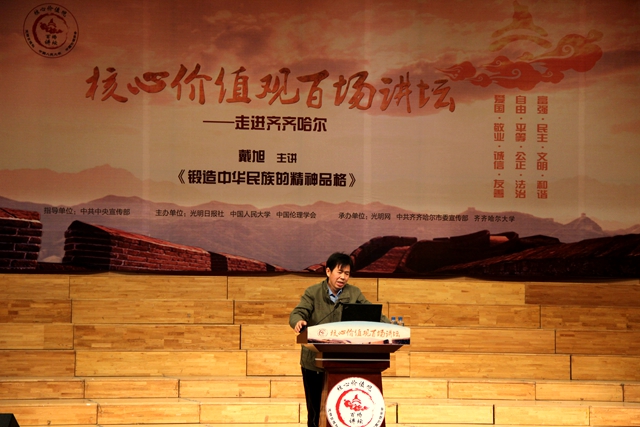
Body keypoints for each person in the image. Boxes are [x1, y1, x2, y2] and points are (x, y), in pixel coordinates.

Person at [289, 252, 389, 427]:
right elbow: (298, 313)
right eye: (340, 272)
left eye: (347, 273)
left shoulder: (354, 293)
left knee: (338, 410)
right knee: (315, 411)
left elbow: (372, 314)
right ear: (328, 271)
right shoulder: (313, 292)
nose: (343, 277)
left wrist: (390, 326)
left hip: (342, 361)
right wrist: (298, 321)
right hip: (314, 362)